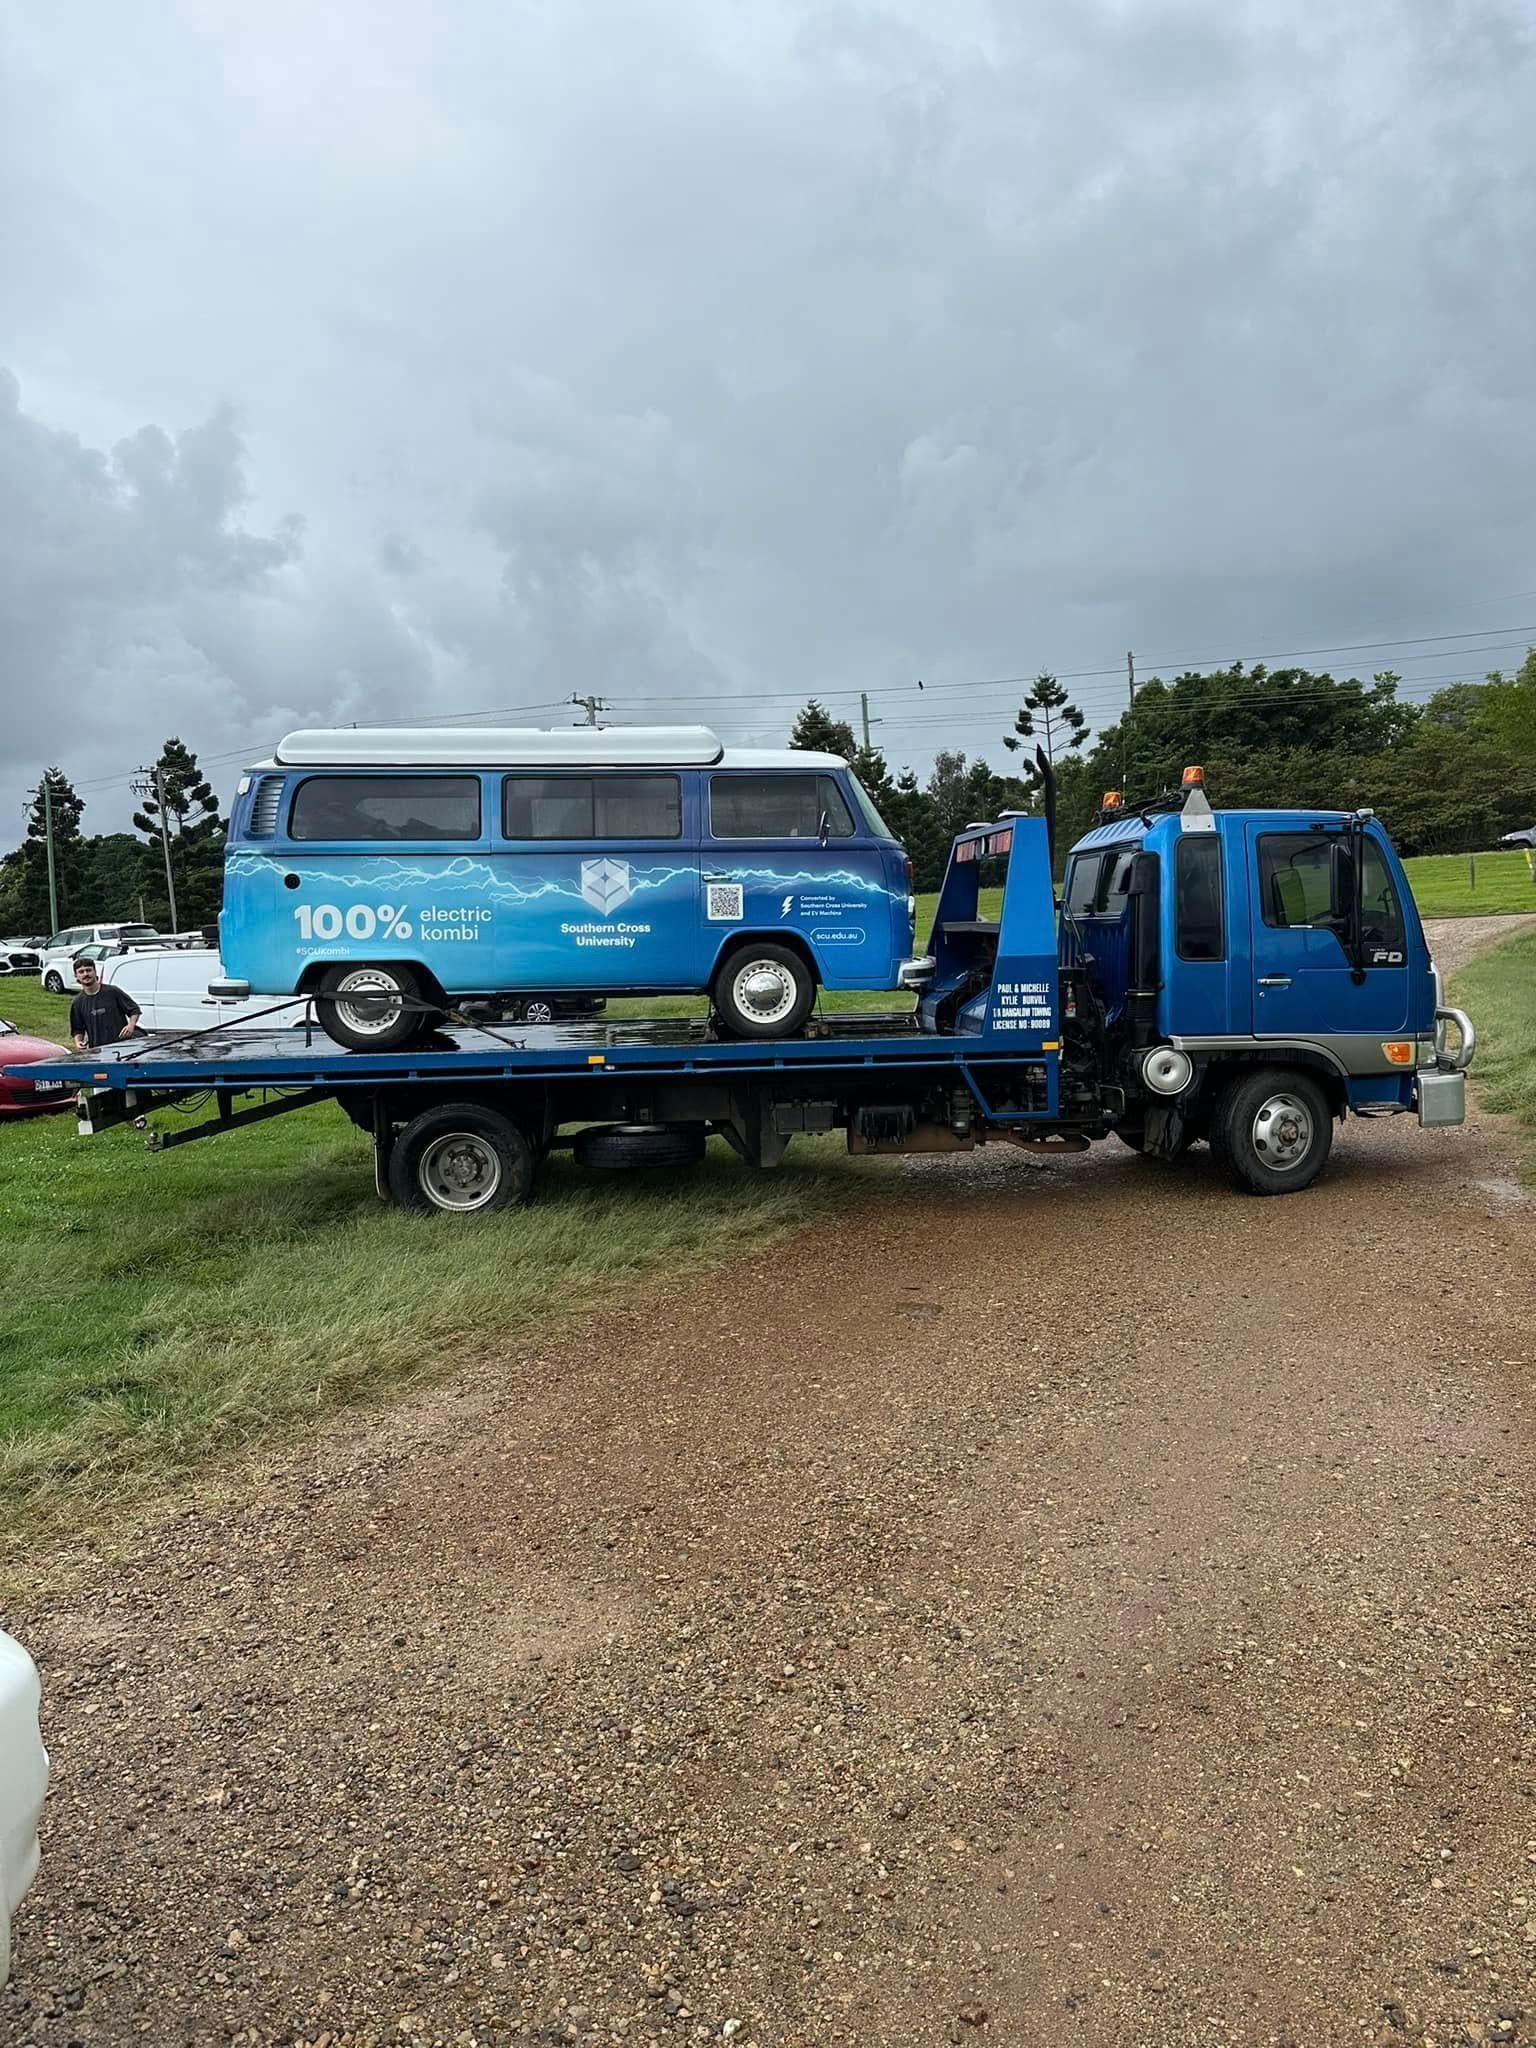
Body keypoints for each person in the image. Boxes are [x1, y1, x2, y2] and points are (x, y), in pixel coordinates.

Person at [69, 957, 141, 1049]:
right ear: (76, 976)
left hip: (122, 1047)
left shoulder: (112, 992)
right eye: (81, 972)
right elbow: (77, 1029)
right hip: (97, 1051)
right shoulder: (78, 1002)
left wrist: (131, 1026)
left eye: (89, 970)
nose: (86, 974)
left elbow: (134, 1010)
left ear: (95, 972)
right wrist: (78, 1041)